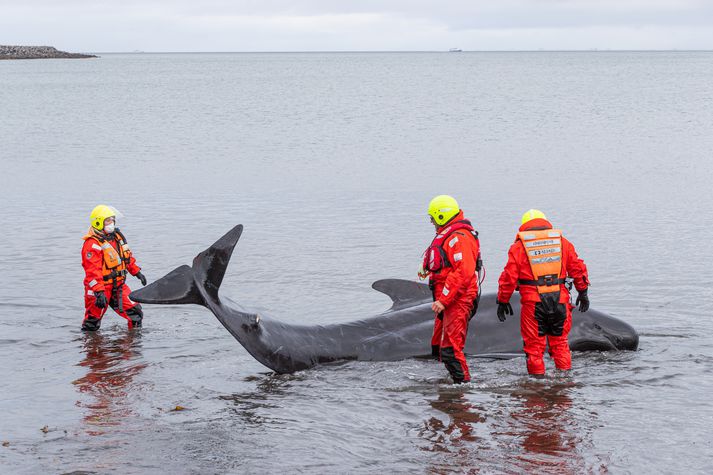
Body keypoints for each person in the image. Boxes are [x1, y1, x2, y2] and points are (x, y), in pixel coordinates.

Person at [496, 209, 589, 376]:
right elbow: (577, 268)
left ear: (524, 226)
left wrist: (503, 300)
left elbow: (509, 277)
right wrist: (583, 292)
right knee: (560, 344)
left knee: (534, 349)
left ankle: (536, 390)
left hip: (534, 304)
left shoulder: (519, 247)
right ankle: (564, 386)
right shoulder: (562, 242)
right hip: (560, 300)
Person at [418, 195, 483, 384]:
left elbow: (463, 272)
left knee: (451, 350)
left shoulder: (459, 237)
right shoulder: (450, 235)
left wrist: (443, 300)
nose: (431, 223)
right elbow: (446, 265)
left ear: (440, 216)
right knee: (438, 347)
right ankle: (454, 382)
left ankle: (463, 388)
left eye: (432, 218)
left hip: (457, 299)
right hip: (447, 298)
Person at [81, 205, 147, 331]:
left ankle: (130, 346)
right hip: (100, 288)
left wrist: (137, 272)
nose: (111, 223)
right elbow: (92, 271)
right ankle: (91, 347)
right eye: (108, 220)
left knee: (136, 313)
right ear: (98, 222)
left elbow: (126, 257)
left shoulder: (117, 237)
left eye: (112, 220)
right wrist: (98, 291)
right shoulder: (92, 244)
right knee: (92, 322)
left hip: (118, 286)